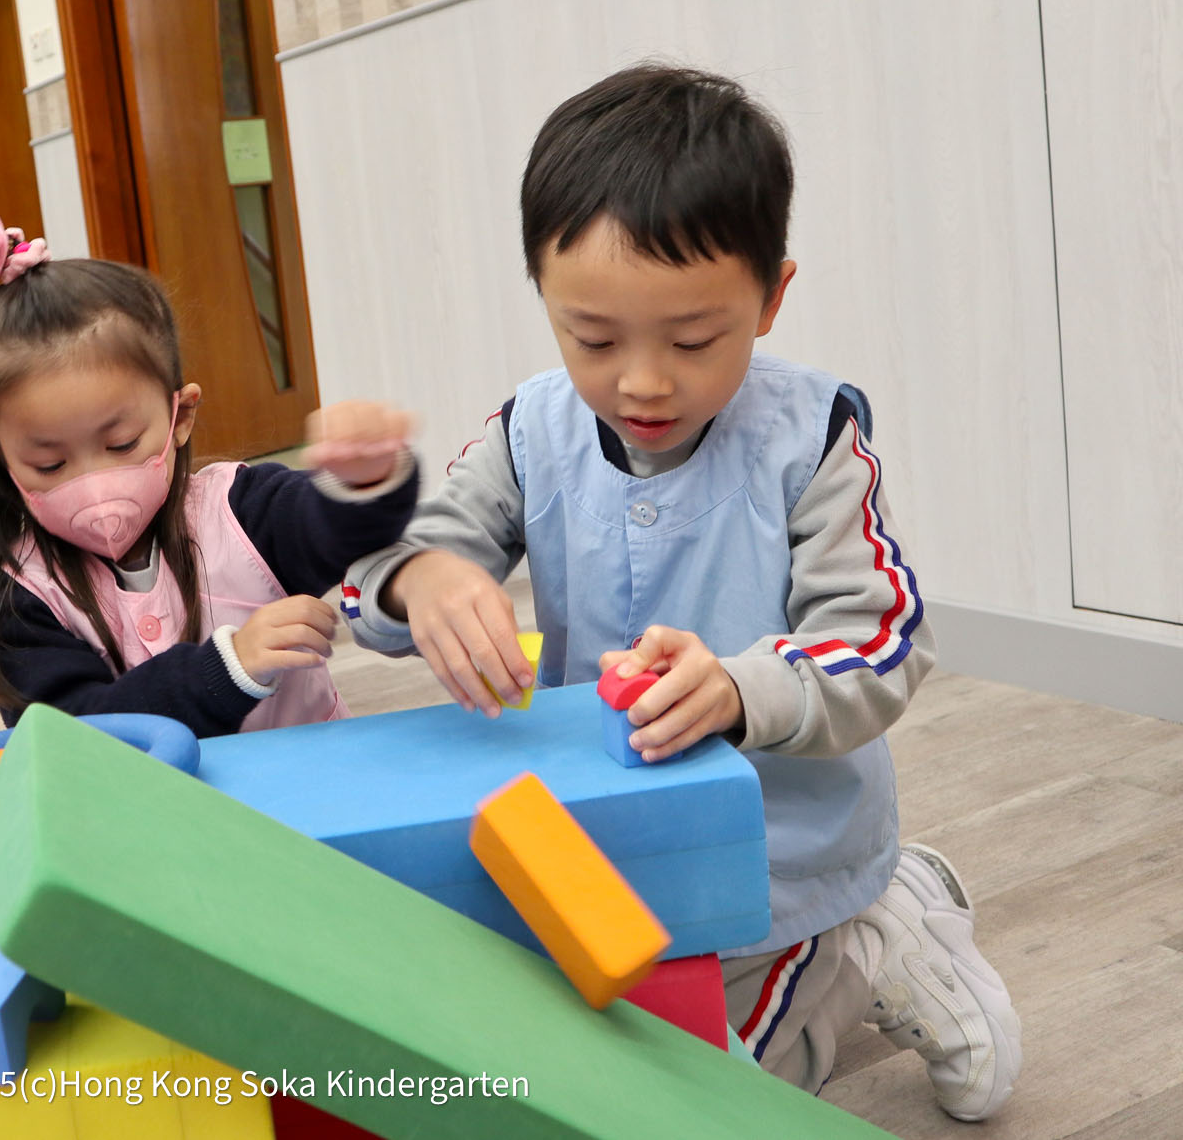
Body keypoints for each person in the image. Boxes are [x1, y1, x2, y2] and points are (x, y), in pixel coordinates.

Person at [348, 65, 1021, 1119]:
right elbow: (385, 574)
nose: (643, 381)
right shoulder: (530, 433)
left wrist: (743, 690)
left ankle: (880, 929)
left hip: (781, 853)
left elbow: (882, 639)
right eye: (593, 339)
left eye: (693, 340)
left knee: (701, 1101)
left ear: (771, 297)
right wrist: (417, 578)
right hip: (603, 841)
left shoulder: (810, 440)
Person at [0, 208, 418, 735]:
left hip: (314, 779)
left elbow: (338, 530)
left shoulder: (239, 511)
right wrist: (228, 668)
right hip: (148, 795)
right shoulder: (20, 598)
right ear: (1, 457)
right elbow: (73, 738)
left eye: (122, 444)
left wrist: (365, 479)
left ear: (182, 416)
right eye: (50, 464)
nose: (95, 484)